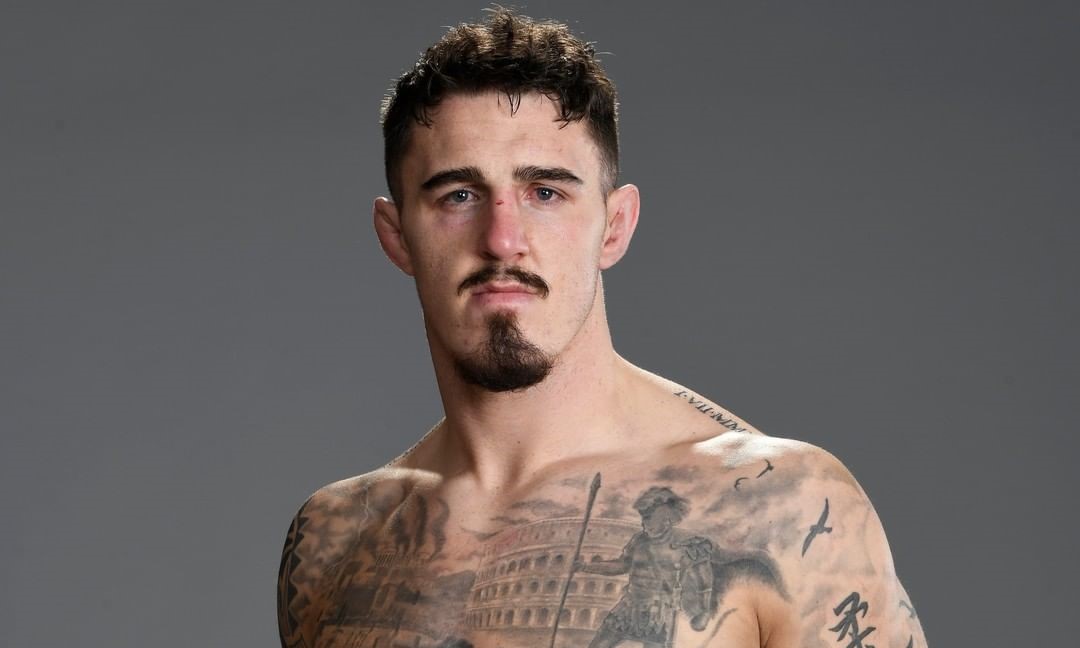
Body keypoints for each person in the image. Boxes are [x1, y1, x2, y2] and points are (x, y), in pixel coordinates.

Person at [277, 8, 928, 648]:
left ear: (615, 227)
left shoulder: (781, 509)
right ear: (397, 236)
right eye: (459, 196)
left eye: (546, 193)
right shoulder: (337, 540)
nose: (502, 239)